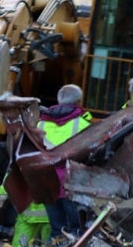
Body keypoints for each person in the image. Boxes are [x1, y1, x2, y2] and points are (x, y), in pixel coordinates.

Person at [37, 84, 92, 237]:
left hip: (47, 184)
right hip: (71, 185)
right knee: (76, 232)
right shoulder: (83, 125)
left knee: (57, 231)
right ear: (78, 102)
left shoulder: (40, 124)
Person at [0, 178, 50, 247]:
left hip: (47, 215)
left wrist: (3, 192)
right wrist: (4, 192)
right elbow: (13, 174)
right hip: (33, 213)